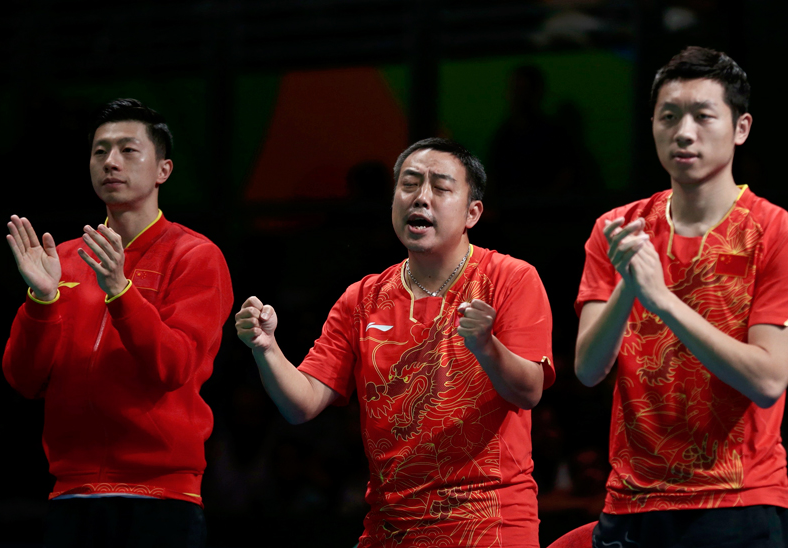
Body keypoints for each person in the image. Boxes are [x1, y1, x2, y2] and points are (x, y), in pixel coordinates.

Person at [236, 138, 554, 548]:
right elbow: (302, 404)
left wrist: (486, 346)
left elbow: (529, 391)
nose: (421, 197)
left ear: (472, 212)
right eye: (409, 184)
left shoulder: (511, 278)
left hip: (487, 521)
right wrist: (266, 348)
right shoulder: (361, 299)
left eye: (440, 187)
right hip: (391, 527)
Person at [574, 46, 788, 547]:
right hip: (631, 503)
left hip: (739, 504)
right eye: (669, 117)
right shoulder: (616, 231)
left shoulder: (783, 236)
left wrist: (661, 298)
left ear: (741, 128)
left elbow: (768, 379)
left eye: (703, 116)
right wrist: (629, 287)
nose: (684, 132)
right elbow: (588, 367)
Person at [3, 98, 234, 548]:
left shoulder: (195, 256)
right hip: (71, 493)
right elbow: (23, 379)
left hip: (162, 497)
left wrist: (121, 291)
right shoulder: (61, 260)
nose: (111, 161)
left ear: (163, 170)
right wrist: (42, 301)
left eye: (128, 150)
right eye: (99, 151)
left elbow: (173, 366)